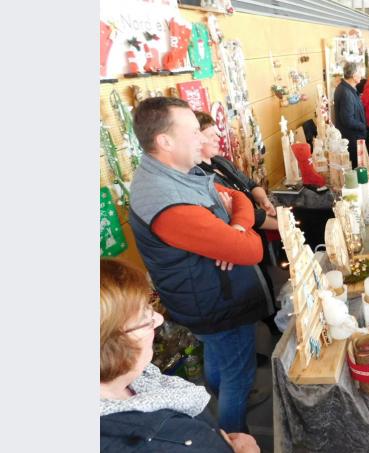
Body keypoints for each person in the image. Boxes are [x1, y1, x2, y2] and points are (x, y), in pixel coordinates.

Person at [129, 97, 270, 433]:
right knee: (238, 372)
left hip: (207, 295)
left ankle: (219, 395)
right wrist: (238, 237)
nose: (202, 138)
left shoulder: (179, 172)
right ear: (165, 141)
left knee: (218, 354)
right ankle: (234, 436)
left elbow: (239, 198)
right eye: (193, 131)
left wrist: (234, 227)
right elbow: (252, 252)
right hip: (215, 301)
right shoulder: (166, 199)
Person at [100, 259, 261, 452]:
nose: (159, 320)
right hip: (213, 306)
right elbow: (249, 251)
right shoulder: (156, 441)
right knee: (234, 377)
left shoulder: (130, 381)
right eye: (144, 318)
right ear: (110, 346)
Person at [195, 112, 277, 231]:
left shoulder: (220, 161)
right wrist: (282, 225)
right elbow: (237, 211)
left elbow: (251, 184)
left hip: (257, 220)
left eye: (216, 134)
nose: (217, 139)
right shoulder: (199, 176)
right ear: (197, 140)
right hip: (242, 229)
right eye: (211, 135)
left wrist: (263, 199)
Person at [333, 61, 367, 168]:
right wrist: (363, 126)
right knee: (357, 169)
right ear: (353, 75)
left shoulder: (347, 88)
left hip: (353, 136)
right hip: (351, 138)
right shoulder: (346, 93)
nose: (361, 75)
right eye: (360, 72)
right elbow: (347, 120)